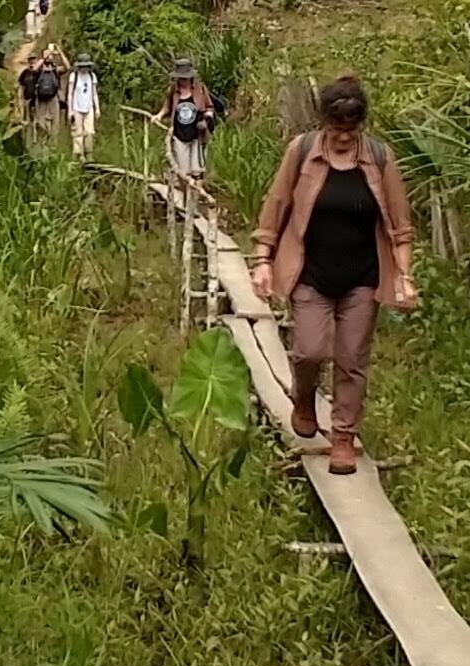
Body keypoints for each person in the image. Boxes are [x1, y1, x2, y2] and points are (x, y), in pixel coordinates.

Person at [250, 75, 417, 476]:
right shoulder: (303, 152)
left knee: (352, 359)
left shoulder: (379, 159)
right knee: (308, 351)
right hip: (311, 272)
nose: (343, 138)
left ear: (361, 126)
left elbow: (400, 224)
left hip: (362, 276)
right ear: (323, 123)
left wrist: (404, 276)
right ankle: (304, 398)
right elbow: (276, 204)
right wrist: (263, 259)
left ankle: (343, 436)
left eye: (350, 130)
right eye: (335, 129)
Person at [161, 56, 218, 212]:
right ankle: (187, 201)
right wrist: (158, 116)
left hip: (197, 136)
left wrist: (206, 119)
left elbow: (210, 108)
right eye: (181, 78)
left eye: (186, 78)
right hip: (180, 135)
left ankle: (193, 206)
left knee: (197, 171)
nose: (184, 81)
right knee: (183, 172)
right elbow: (167, 107)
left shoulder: (200, 89)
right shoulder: (173, 91)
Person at [17, 44, 66, 152]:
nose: (49, 56)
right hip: (40, 99)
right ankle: (40, 145)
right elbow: (34, 68)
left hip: (53, 98)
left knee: (55, 123)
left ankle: (52, 146)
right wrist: (44, 58)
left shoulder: (55, 69)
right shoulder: (37, 71)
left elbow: (67, 67)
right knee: (40, 123)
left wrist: (60, 52)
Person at [65, 55, 102, 160]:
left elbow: (94, 93)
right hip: (77, 107)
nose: (84, 68)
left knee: (90, 131)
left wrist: (97, 108)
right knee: (78, 132)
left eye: (86, 66)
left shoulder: (92, 76)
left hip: (88, 107)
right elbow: (70, 94)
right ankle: (79, 154)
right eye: (83, 66)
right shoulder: (74, 76)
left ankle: (89, 152)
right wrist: (70, 110)